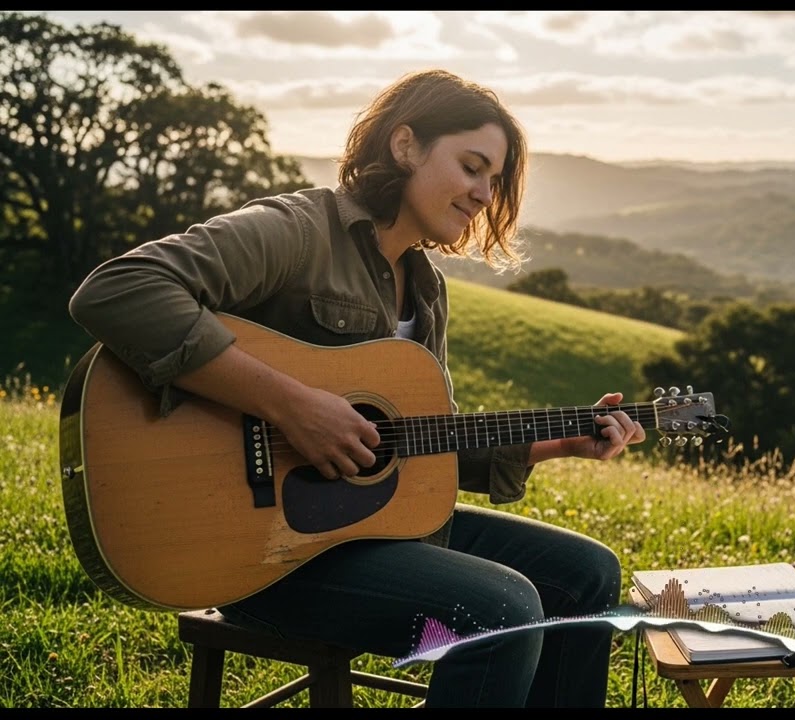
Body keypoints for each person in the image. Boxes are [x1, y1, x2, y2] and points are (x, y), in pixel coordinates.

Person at [67, 69, 645, 708]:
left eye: (495, 179)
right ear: (405, 146)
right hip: (268, 556)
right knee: (503, 605)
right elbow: (119, 290)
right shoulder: (297, 231)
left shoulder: (426, 290)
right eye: (472, 166)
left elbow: (416, 445)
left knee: (588, 575)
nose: (485, 194)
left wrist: (559, 443)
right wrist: (294, 407)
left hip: (374, 537)